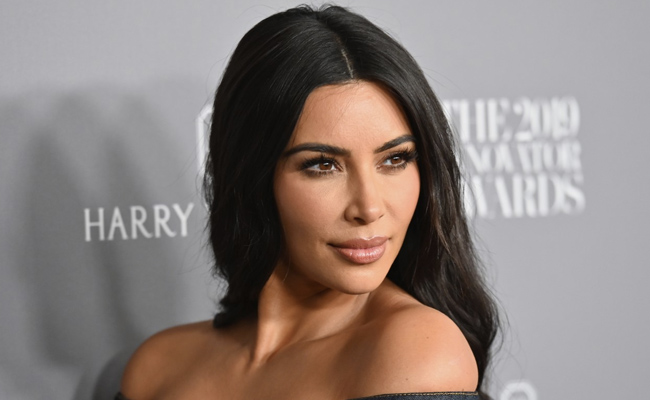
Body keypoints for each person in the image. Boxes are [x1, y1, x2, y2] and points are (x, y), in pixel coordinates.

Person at [118, 4, 499, 400]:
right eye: (323, 165)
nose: (369, 208)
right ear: (253, 177)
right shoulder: (157, 368)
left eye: (395, 159)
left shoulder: (418, 352)